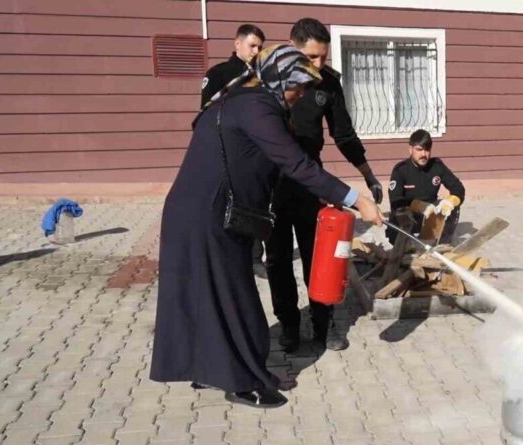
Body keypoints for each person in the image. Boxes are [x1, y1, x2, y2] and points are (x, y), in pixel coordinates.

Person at [150, 45, 382, 409]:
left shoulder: (241, 100)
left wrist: (322, 197)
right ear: (279, 78)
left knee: (209, 296)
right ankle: (243, 382)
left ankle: (210, 369)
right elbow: (296, 164)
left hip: (197, 212)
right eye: (297, 87)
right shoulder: (257, 108)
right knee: (235, 299)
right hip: (208, 216)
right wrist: (356, 198)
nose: (300, 95)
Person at [266, 18, 383, 353]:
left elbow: (344, 135)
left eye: (323, 57)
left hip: (310, 183)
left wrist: (368, 174)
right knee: (277, 260)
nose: (318, 64)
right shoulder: (270, 81)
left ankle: (324, 323)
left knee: (319, 257)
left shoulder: (328, 84)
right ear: (292, 47)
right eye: (311, 57)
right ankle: (289, 325)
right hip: (272, 182)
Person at [199, 23, 269, 278]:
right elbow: (206, 116)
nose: (256, 51)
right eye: (252, 45)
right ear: (237, 44)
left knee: (256, 203)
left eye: (260, 47)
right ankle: (224, 258)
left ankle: (255, 258)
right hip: (226, 153)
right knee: (224, 206)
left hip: (256, 152)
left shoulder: (263, 76)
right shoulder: (219, 74)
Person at [387, 129, 465, 245]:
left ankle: (443, 243)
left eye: (427, 150)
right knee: (398, 218)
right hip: (410, 215)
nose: (423, 154)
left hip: (431, 216)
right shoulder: (401, 170)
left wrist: (450, 201)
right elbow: (395, 200)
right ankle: (407, 244)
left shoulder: (437, 166)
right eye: (419, 150)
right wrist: (420, 206)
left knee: (453, 207)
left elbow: (458, 188)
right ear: (410, 149)